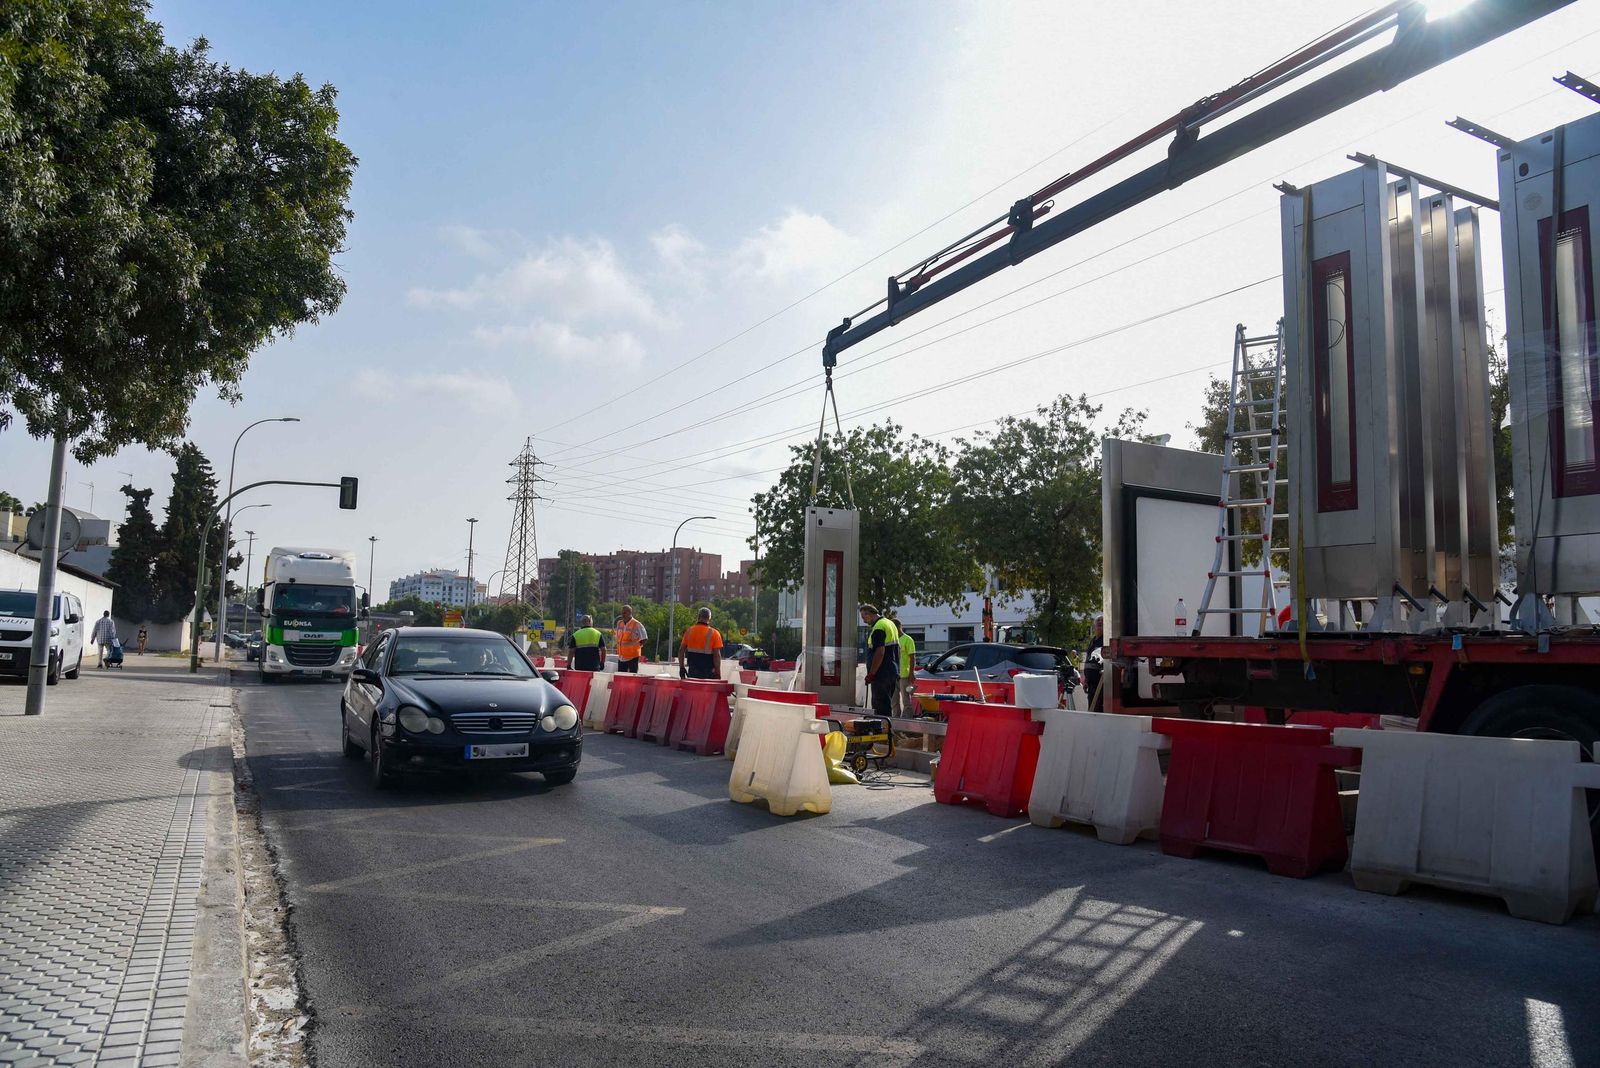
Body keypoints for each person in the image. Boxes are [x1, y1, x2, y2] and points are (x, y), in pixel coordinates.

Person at [859, 604, 899, 717]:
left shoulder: (879, 628)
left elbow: (880, 652)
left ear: (869, 614)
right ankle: (887, 730)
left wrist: (872, 673)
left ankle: (883, 732)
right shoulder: (890, 623)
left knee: (880, 707)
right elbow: (897, 649)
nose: (863, 620)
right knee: (886, 704)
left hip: (881, 674)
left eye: (864, 617)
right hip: (891, 671)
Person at [678, 607, 723, 680]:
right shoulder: (715, 633)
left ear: (698, 617)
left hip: (693, 671)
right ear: (709, 618)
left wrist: (682, 668)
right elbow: (716, 655)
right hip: (708, 673)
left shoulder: (689, 631)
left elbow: (681, 651)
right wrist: (718, 673)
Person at [892, 618, 918, 719]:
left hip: (905, 675)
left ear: (898, 627)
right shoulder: (893, 640)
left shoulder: (908, 639)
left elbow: (912, 658)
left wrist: (911, 673)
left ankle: (907, 720)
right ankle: (895, 719)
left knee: (906, 700)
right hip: (894, 675)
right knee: (894, 700)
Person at [613, 605, 646, 673]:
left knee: (632, 677)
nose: (622, 615)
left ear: (630, 613)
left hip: (633, 657)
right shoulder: (619, 623)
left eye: (624, 613)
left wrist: (636, 648)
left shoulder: (637, 624)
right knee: (621, 678)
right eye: (622, 613)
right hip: (621, 657)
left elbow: (644, 638)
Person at [1083, 614, 1105, 712]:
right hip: (1091, 683)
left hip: (1100, 682)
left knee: (1097, 708)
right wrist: (1086, 679)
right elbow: (1088, 659)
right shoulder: (1092, 641)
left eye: (1102, 621)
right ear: (1094, 626)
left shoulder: (1105, 640)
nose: (1100, 622)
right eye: (1098, 621)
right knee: (1091, 706)